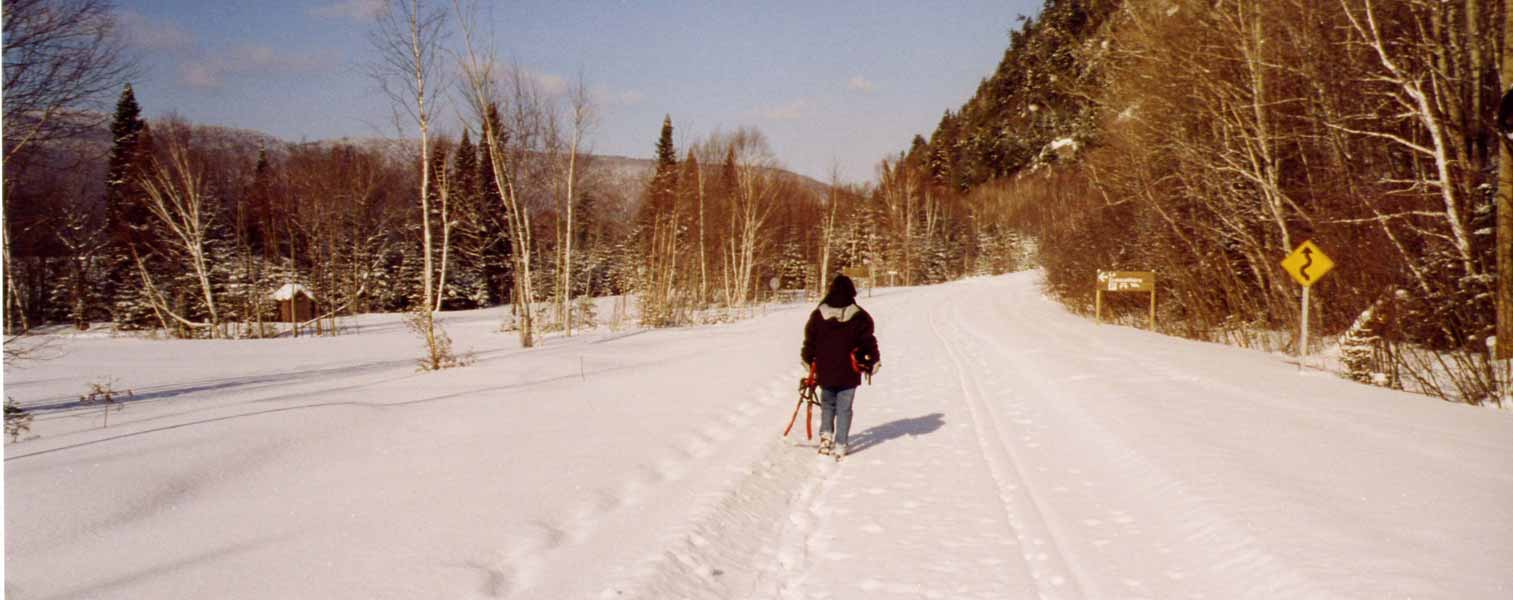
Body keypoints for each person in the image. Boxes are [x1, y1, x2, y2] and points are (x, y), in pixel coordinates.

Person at [800, 274, 880, 459]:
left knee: (827, 404)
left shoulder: (819, 313)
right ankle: (841, 444)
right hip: (849, 370)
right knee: (844, 408)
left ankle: (826, 436)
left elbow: (810, 339)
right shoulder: (860, 315)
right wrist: (873, 360)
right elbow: (868, 341)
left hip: (825, 368)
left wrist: (808, 358)